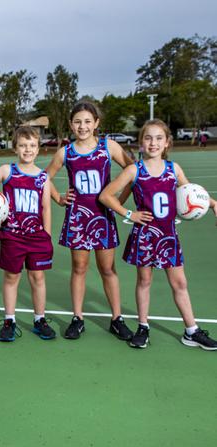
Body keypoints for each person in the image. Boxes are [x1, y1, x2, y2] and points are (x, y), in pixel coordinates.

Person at [99, 119, 217, 349]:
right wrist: (129, 214)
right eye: (148, 138)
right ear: (141, 142)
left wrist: (212, 203)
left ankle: (191, 331)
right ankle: (143, 327)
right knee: (144, 280)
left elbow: (191, 193)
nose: (153, 143)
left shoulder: (174, 169)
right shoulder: (135, 170)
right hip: (145, 235)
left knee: (180, 282)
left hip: (168, 236)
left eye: (159, 138)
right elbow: (107, 196)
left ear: (167, 143)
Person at [46, 101, 135, 340]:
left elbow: (134, 171)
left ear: (96, 123)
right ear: (70, 125)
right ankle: (78, 318)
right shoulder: (66, 152)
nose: (82, 126)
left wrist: (119, 200)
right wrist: (58, 198)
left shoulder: (109, 146)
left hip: (103, 217)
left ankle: (117, 319)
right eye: (77, 122)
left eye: (87, 121)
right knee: (79, 268)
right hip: (78, 218)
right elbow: (44, 178)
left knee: (107, 268)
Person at [0, 126, 55, 342]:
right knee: (11, 277)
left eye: (32, 145)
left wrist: (47, 236)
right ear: (15, 147)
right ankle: (9, 320)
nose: (28, 149)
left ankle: (39, 320)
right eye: (23, 145)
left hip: (37, 237)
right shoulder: (7, 171)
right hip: (12, 236)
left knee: (38, 277)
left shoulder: (43, 178)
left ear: (38, 149)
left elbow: (46, 208)